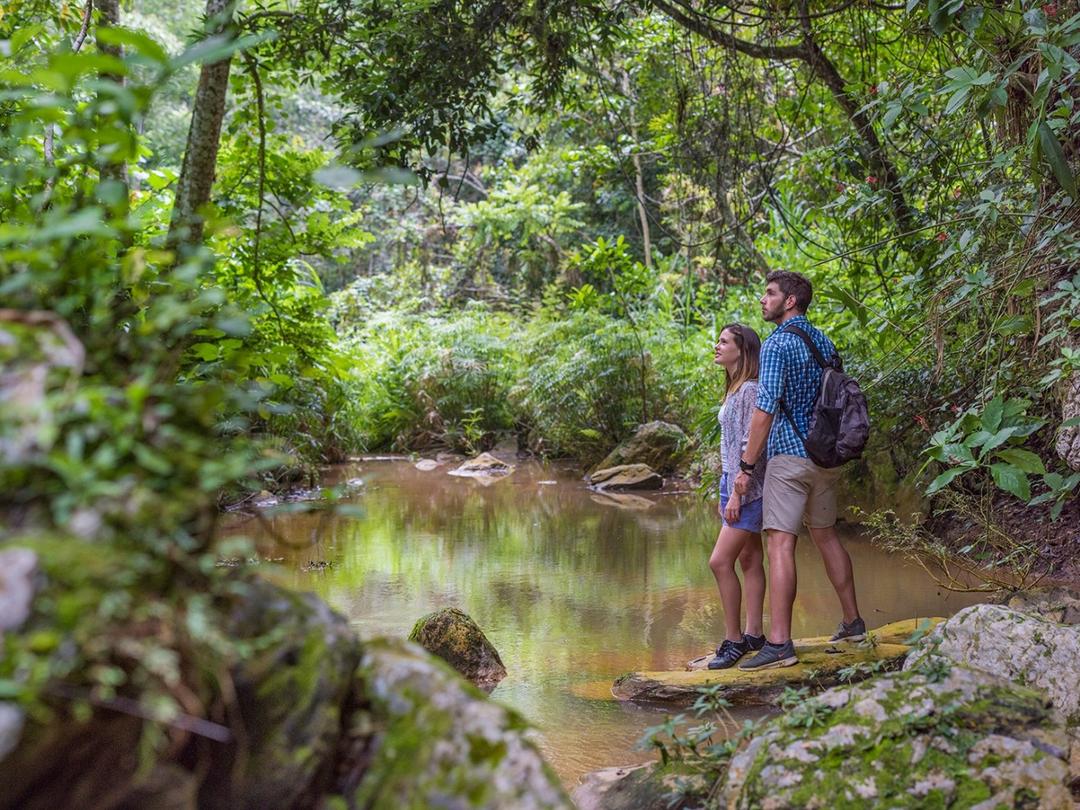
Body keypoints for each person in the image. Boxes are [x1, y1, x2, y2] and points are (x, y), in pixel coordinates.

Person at [733, 270, 864, 671]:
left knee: (779, 545)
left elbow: (764, 410)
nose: (763, 299)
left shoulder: (777, 345)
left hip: (789, 459)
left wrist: (746, 467)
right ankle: (853, 623)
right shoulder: (823, 341)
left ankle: (779, 644)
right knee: (826, 537)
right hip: (825, 457)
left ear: (790, 301)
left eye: (770, 294)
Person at [706, 324, 767, 669]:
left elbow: (749, 444)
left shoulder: (750, 391)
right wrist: (725, 487)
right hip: (732, 482)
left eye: (724, 342)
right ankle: (754, 633)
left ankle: (734, 641)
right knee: (749, 559)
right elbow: (728, 445)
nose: (717, 346)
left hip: (747, 486)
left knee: (719, 562)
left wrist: (738, 492)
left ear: (742, 350)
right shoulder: (734, 388)